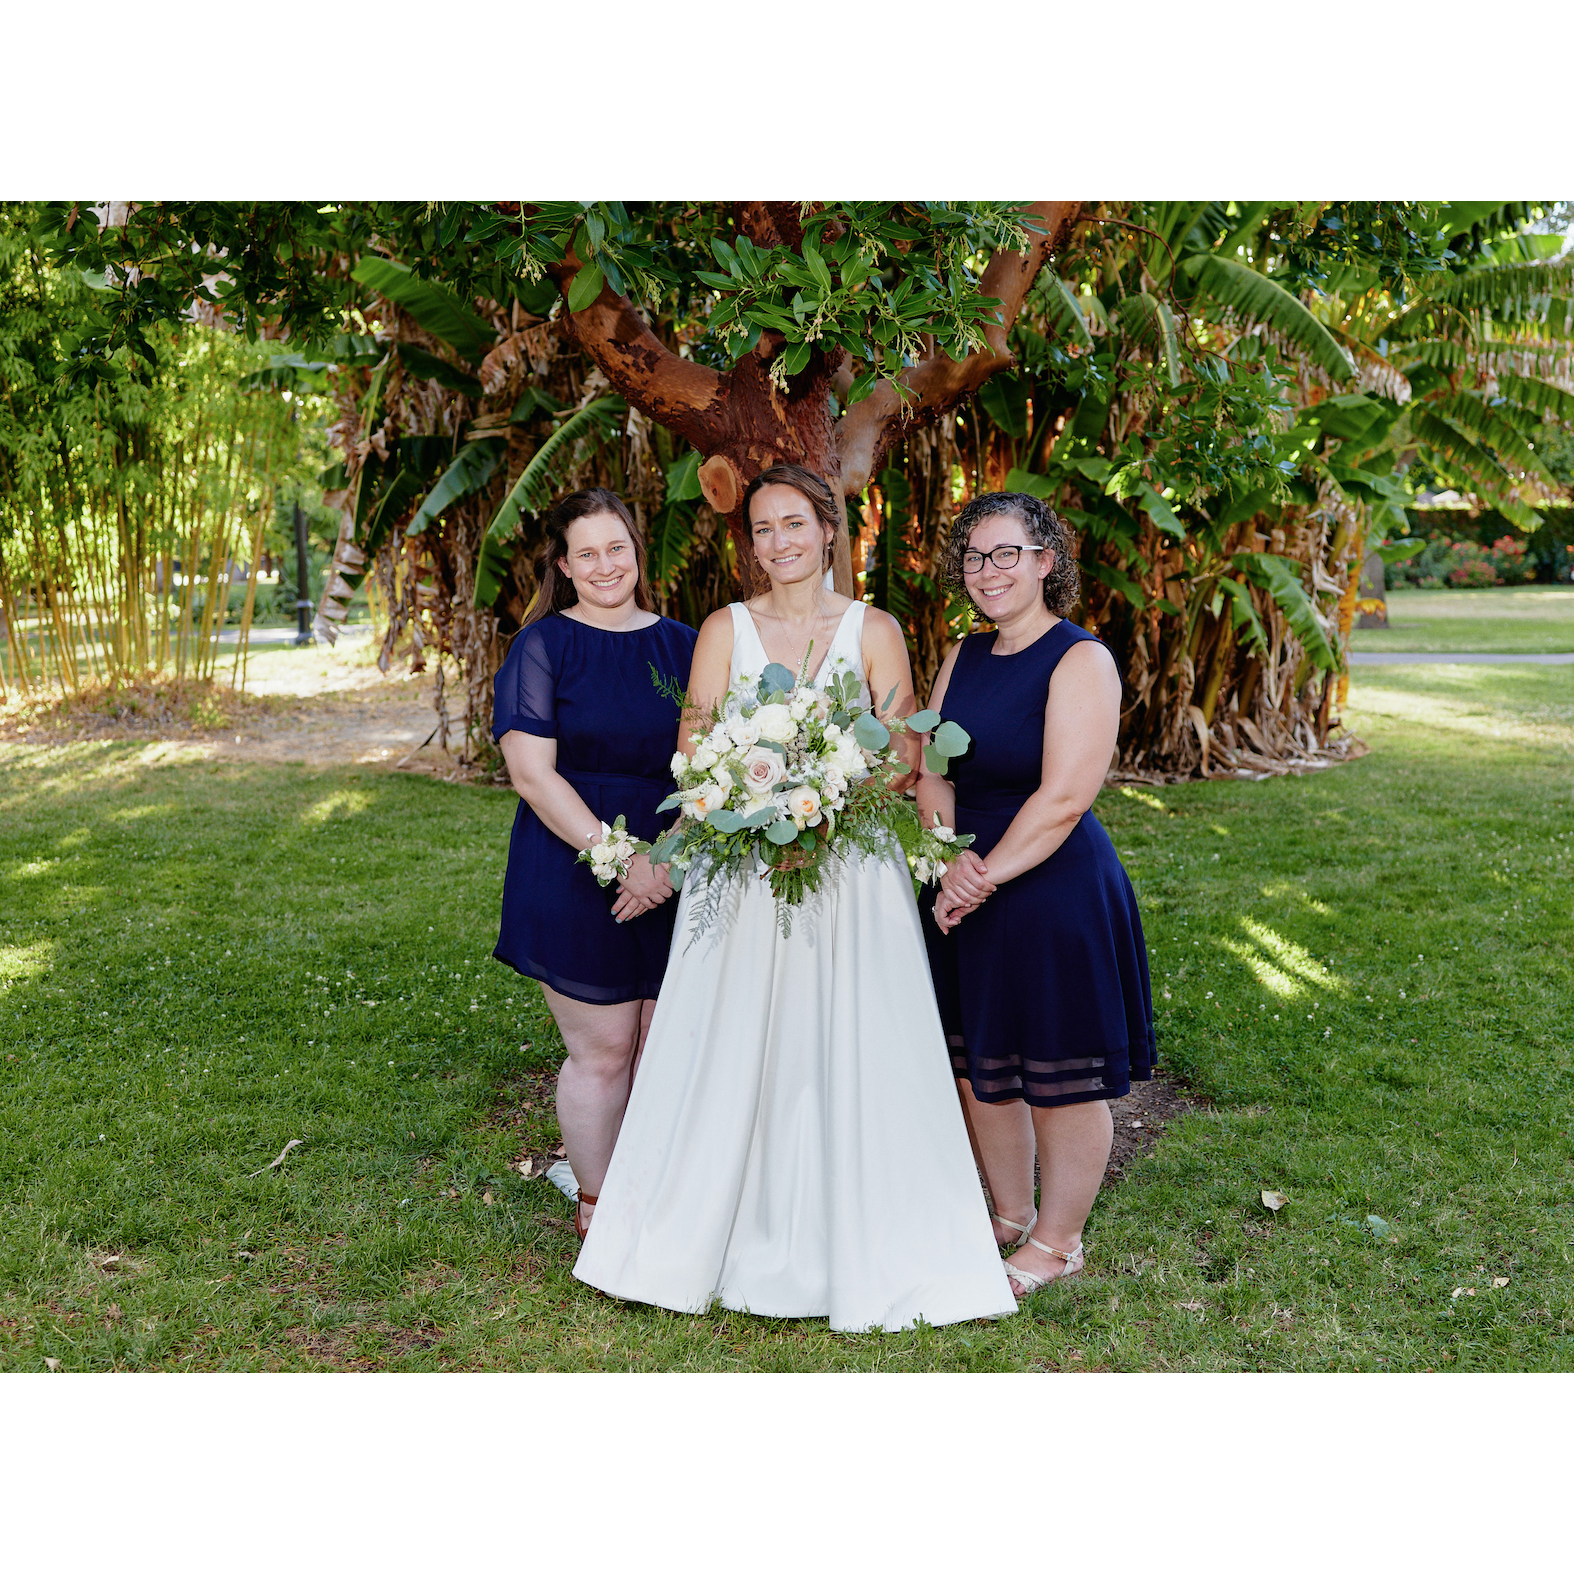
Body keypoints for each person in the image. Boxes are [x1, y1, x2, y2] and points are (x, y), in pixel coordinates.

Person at [572, 463, 1017, 1332]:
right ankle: (704, 1226)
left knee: (852, 1038)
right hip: (740, 872)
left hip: (849, 872)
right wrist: (754, 806)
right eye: (763, 531)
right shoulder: (723, 629)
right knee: (734, 1040)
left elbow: (900, 757)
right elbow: (694, 750)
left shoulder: (874, 628)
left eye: (794, 526)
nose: (779, 544)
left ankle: (860, 1233)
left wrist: (820, 800)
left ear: (827, 531)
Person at [919, 491, 1155, 1300]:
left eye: (1007, 553)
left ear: (1047, 561)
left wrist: (979, 875)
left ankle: (1060, 1240)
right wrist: (950, 859)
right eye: (975, 558)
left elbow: (1063, 797)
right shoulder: (964, 656)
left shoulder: (1080, 659)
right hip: (964, 876)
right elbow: (933, 770)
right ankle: (1011, 1214)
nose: (989, 572)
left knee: (1059, 1069)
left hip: (1051, 883)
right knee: (980, 1062)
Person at [492, 488, 698, 1241]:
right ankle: (598, 1205)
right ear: (564, 566)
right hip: (575, 862)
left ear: (638, 551)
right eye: (588, 553)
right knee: (605, 1046)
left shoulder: (684, 644)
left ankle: (649, 1185)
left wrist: (667, 859)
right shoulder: (543, 647)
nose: (606, 565)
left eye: (617, 547)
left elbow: (712, 765)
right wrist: (622, 860)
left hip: (677, 861)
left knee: (659, 1036)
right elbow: (532, 775)